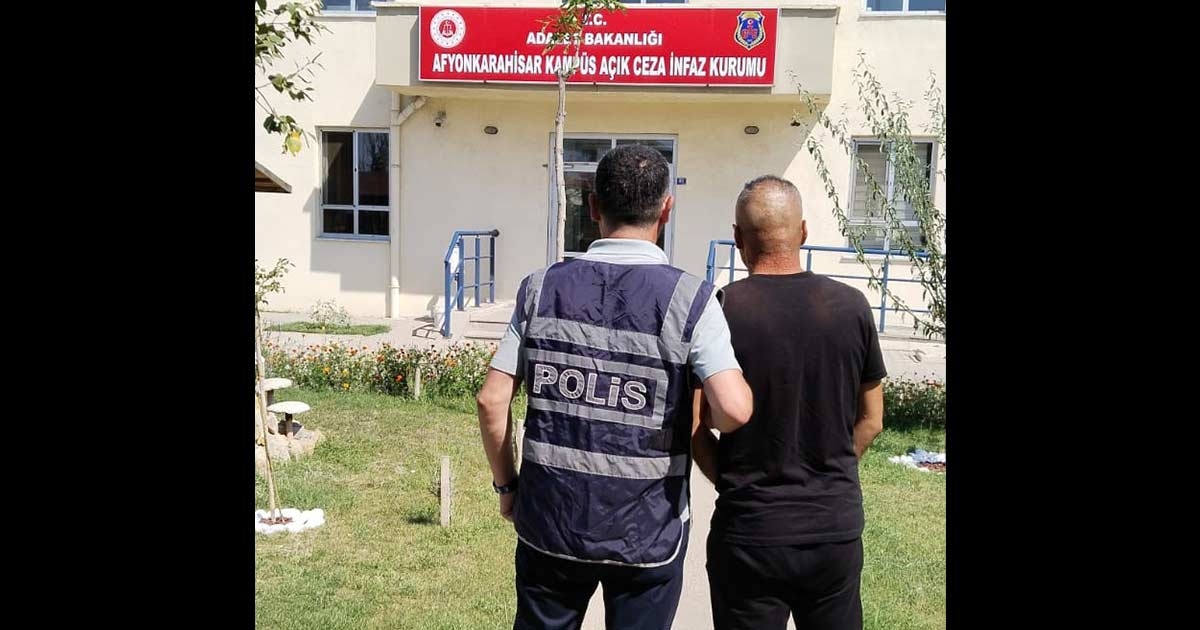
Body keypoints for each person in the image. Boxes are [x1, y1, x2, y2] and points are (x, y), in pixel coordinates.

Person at [475, 144, 754, 630]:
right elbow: (733, 411)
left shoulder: (540, 288)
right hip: (647, 532)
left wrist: (508, 486)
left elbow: (492, 399)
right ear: (666, 208)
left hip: (551, 522)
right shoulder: (692, 300)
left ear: (592, 206)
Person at [692, 175, 887, 630]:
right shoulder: (852, 307)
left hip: (749, 532)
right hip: (832, 529)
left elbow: (695, 428)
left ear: (738, 238)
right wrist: (831, 472)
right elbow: (872, 419)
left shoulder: (720, 311)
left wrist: (732, 481)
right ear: (803, 231)